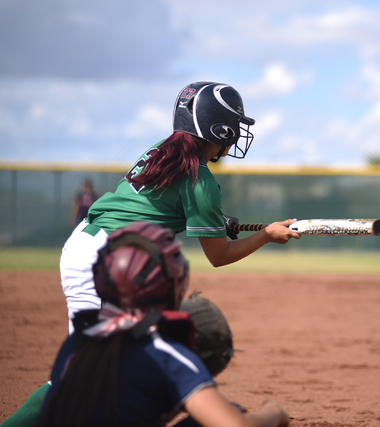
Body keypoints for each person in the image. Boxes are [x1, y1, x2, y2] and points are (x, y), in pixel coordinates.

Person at [1, 82, 300, 427]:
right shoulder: (201, 180)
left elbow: (154, 205)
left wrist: (213, 221)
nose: (235, 135)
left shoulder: (163, 150)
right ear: (218, 128)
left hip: (89, 245)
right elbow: (218, 255)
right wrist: (266, 235)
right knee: (78, 376)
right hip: (112, 261)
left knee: (98, 367)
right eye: (233, 126)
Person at [37, 221, 290, 427]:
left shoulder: (78, 342)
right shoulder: (164, 354)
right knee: (227, 414)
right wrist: (274, 414)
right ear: (173, 283)